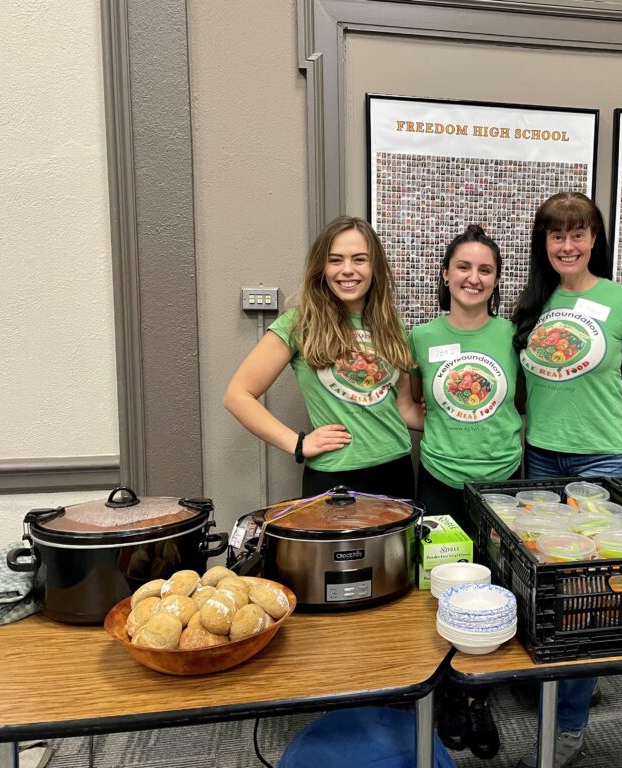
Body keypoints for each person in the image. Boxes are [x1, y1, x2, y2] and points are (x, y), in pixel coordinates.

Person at [511, 192, 622, 768]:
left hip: (605, 461)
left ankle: (568, 729)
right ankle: (577, 678)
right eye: (556, 236)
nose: (567, 245)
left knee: (588, 598)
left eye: (578, 234)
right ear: (543, 244)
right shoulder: (532, 303)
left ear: (595, 238)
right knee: (547, 589)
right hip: (541, 461)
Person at [408, 224, 522, 759]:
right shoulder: (422, 337)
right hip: (440, 479)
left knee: (498, 592)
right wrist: (431, 430)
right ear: (446, 274)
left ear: (496, 280)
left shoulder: (513, 335)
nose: (473, 277)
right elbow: (409, 404)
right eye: (464, 267)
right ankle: (450, 695)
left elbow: (529, 400)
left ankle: (482, 699)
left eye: (485, 269)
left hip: (502, 480)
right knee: (444, 591)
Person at [223, 215, 421, 499]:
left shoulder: (392, 326)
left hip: (397, 470)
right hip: (333, 477)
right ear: (322, 267)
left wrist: (462, 420)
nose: (347, 270)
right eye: (336, 260)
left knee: (398, 547)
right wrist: (298, 443)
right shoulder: (299, 323)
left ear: (374, 266)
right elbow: (236, 395)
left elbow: (403, 409)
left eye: (359, 259)